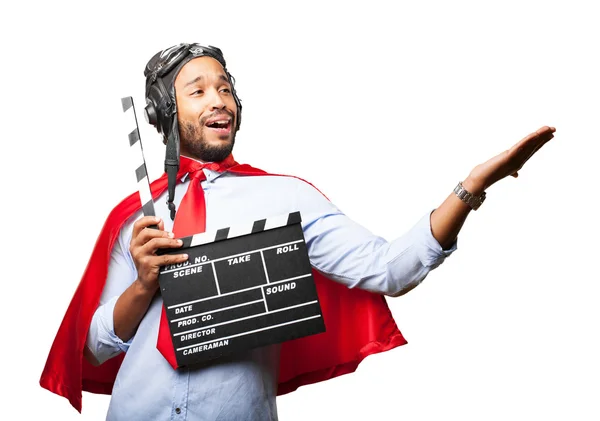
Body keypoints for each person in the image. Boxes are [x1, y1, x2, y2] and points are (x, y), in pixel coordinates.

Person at [40, 43, 556, 421]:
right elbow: (97, 345)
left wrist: (471, 187)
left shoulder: (286, 198)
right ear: (164, 112)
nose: (219, 99)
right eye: (197, 91)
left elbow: (388, 269)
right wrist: (143, 283)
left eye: (225, 88)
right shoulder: (136, 216)